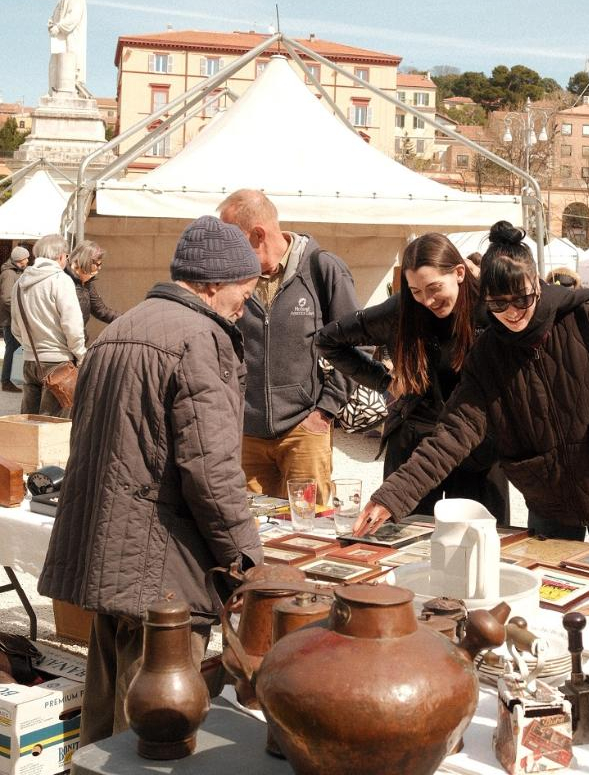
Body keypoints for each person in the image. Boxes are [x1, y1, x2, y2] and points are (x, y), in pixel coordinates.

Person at [37, 216, 264, 746]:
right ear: (211, 283)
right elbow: (211, 472)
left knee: (105, 722)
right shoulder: (199, 339)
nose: (244, 304)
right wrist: (246, 562)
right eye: (243, 290)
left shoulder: (120, 328)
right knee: (154, 732)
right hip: (163, 572)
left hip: (112, 559)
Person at [354, 221, 589, 551]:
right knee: (552, 595)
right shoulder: (487, 355)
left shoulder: (586, 317)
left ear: (536, 282)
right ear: (484, 299)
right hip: (549, 500)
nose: (512, 313)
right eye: (498, 304)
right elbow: (453, 433)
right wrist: (391, 495)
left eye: (522, 299)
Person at [316, 233, 509, 524]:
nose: (427, 300)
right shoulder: (401, 310)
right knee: (406, 541)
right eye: (416, 291)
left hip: (478, 447)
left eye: (434, 288)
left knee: (479, 544)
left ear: (459, 273)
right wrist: (383, 381)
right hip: (414, 440)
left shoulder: (490, 308)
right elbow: (329, 340)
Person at [218, 189, 358, 504]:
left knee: (307, 528)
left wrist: (325, 410)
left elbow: (357, 346)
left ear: (257, 235)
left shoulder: (323, 269)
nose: (225, 251)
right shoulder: (233, 278)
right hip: (246, 435)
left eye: (232, 240)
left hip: (304, 430)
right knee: (249, 534)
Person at [10, 234, 85, 417]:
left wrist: (30, 346)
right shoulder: (61, 280)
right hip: (57, 362)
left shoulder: (19, 283)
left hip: (30, 360)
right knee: (52, 428)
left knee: (28, 425)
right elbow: (72, 325)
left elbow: (15, 328)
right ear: (60, 256)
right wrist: (81, 354)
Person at [66, 241, 120, 336]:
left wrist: (129, 319)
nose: (99, 268)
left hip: (77, 342)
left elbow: (102, 311)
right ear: (85, 261)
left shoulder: (87, 283)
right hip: (65, 344)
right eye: (97, 264)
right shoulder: (64, 281)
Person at [47, 0, 87, 90]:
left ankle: (67, 89)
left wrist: (58, 27)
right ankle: (54, 90)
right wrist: (51, 24)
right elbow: (55, 15)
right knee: (55, 65)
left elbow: (73, 17)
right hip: (60, 39)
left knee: (68, 64)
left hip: (71, 37)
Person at [0, 246, 29, 392]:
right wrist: (20, 312)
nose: (28, 261)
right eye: (26, 258)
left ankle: (9, 380)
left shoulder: (16, 271)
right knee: (11, 349)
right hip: (10, 320)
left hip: (13, 319)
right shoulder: (9, 273)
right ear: (19, 259)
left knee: (14, 348)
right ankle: (6, 382)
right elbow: (6, 299)